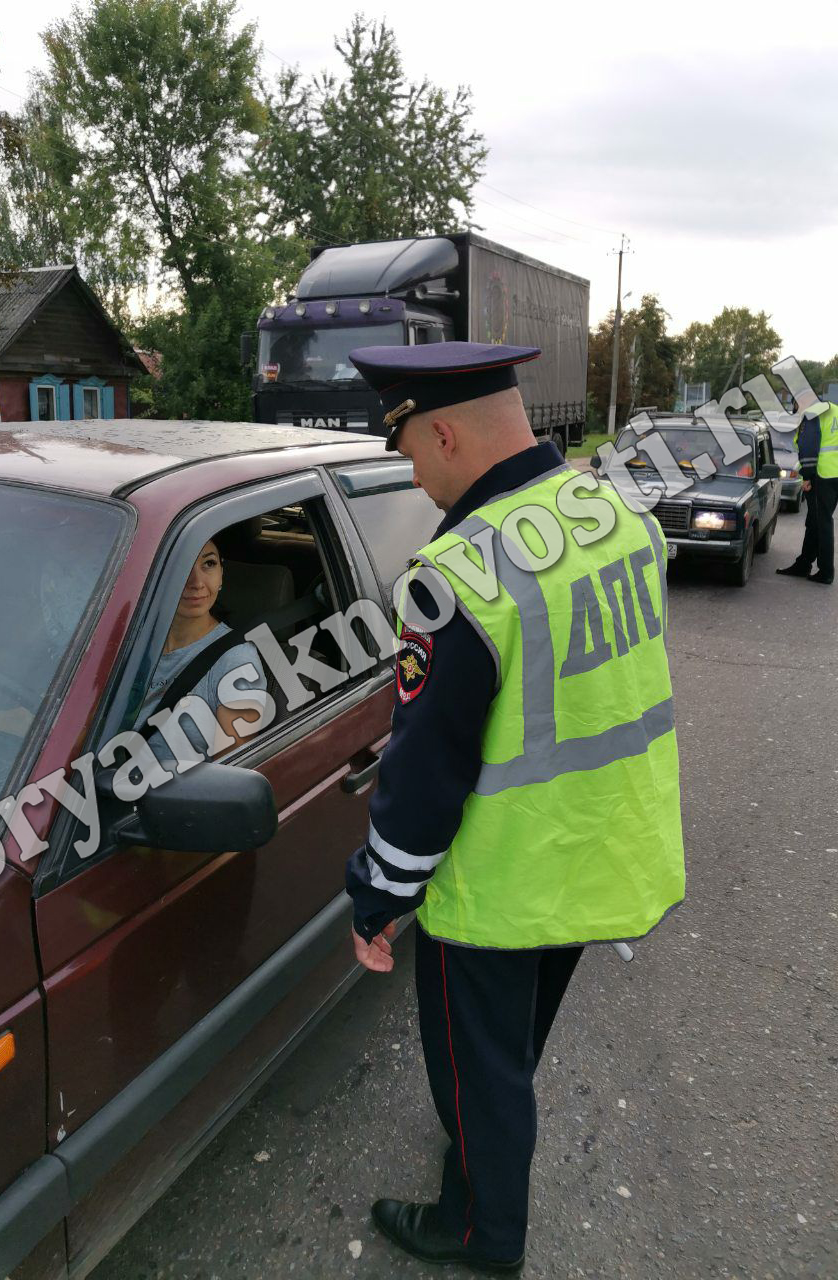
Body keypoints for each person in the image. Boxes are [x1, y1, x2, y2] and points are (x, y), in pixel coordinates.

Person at [343, 341, 685, 1274]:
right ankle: (480, 1185)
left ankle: (482, 1239)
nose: (414, 476)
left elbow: (425, 773)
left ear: (447, 432)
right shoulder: (613, 511)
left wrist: (377, 895)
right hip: (597, 853)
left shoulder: (459, 571)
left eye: (411, 453)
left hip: (496, 889)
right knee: (508, 1060)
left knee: (479, 1087)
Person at [136, 538, 268, 762]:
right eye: (181, 566)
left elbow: (230, 774)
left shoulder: (236, 661)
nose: (196, 582)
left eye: (208, 564)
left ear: (221, 576)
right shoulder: (128, 645)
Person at [776, 387, 838, 585]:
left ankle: (826, 571)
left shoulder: (812, 414)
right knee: (815, 521)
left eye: (795, 404)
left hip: (823, 475)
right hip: (834, 475)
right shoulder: (835, 410)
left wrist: (807, 477)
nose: (795, 409)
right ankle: (804, 563)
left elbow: (808, 448)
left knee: (822, 523)